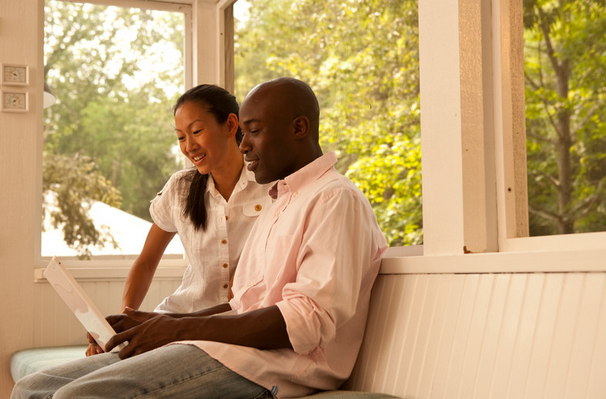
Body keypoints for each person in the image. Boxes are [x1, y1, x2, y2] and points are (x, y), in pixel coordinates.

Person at [11, 77, 388, 399]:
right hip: (225, 347)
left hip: (276, 367)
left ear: (298, 128)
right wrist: (151, 324)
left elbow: (305, 323)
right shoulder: (281, 200)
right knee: (31, 388)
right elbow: (243, 304)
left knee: (74, 397)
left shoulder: (335, 199)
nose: (244, 145)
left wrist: (178, 327)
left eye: (253, 132)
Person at [86, 84, 273, 355]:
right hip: (178, 317)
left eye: (196, 132)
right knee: (96, 364)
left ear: (231, 125)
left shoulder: (272, 186)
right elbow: (146, 261)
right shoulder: (180, 188)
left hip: (228, 328)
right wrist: (127, 319)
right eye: (180, 137)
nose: (189, 146)